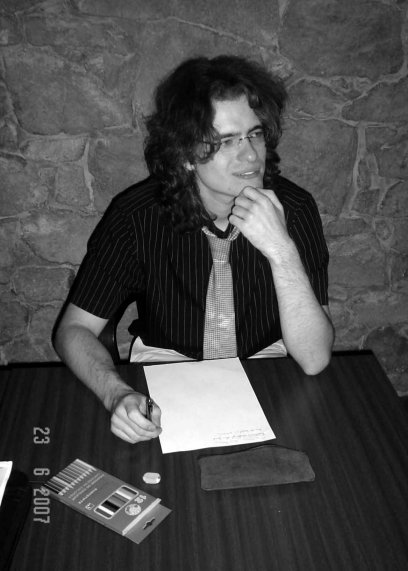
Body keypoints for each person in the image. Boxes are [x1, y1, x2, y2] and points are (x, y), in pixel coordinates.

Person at [54, 55, 334, 444]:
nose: (251, 155)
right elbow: (74, 330)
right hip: (166, 366)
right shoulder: (137, 217)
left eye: (254, 134)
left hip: (266, 365)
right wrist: (116, 394)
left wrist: (282, 250)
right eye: (226, 141)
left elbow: (315, 359)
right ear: (185, 155)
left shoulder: (295, 209)